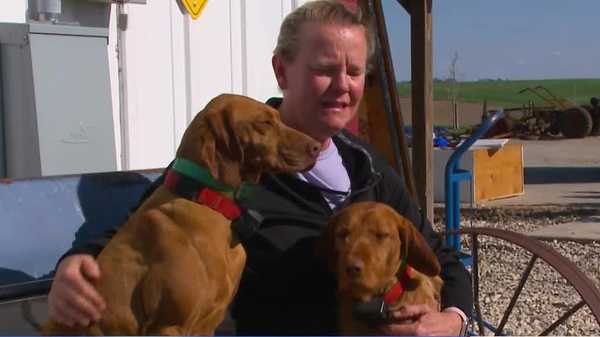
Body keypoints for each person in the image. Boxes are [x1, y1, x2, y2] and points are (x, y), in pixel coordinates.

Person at [47, 1, 472, 335]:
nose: (343, 85)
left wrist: (452, 319)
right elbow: (141, 229)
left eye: (355, 71)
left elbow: (442, 257)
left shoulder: (368, 167)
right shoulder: (233, 160)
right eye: (325, 69)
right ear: (281, 71)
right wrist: (76, 263)